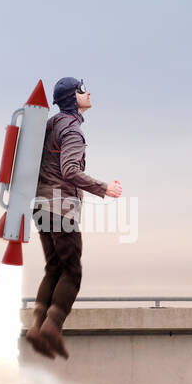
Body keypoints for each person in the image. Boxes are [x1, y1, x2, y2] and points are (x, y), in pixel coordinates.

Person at [25, 77, 121, 359]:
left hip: (40, 206)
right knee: (72, 272)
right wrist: (105, 188)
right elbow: (69, 171)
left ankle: (36, 327)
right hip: (61, 206)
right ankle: (52, 328)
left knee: (53, 268)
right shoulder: (72, 131)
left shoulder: (50, 125)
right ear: (72, 98)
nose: (88, 92)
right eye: (82, 90)